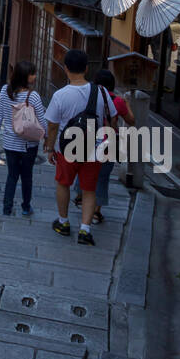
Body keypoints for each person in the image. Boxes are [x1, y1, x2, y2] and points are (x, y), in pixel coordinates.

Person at [44, 48, 117, 245]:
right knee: (89, 189)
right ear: (86, 68)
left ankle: (63, 222)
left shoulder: (61, 95)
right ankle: (85, 229)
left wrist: (50, 148)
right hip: (94, 148)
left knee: (63, 183)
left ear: (66, 68)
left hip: (67, 148)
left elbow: (52, 125)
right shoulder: (101, 92)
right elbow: (113, 116)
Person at [0, 60, 46, 217]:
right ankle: (25, 206)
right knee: (27, 176)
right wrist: (48, 138)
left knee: (12, 175)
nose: (35, 76)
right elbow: (42, 121)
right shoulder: (33, 96)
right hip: (29, 144)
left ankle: (7, 207)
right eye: (33, 74)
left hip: (10, 143)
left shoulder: (5, 91)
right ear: (25, 77)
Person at [86, 69, 135, 224]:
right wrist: (127, 104)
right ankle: (96, 212)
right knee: (103, 178)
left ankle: (83, 199)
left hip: (89, 141)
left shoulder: (90, 96)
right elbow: (131, 121)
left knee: (87, 173)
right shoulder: (118, 101)